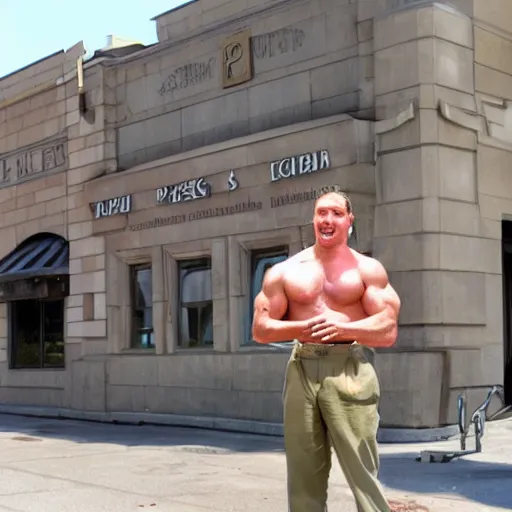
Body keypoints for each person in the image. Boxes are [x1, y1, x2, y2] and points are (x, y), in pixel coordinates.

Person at [252, 190, 401, 512]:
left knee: (362, 472)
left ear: (349, 220)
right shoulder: (285, 271)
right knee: (303, 472)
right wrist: (302, 328)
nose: (327, 220)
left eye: (335, 213)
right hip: (301, 367)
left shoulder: (368, 270)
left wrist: (345, 327)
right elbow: (261, 329)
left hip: (348, 366)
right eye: (321, 213)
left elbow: (388, 330)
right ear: (313, 219)